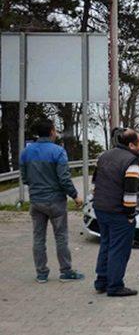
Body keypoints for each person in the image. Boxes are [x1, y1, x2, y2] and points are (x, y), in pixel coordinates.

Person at [19, 119, 84, 283]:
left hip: (36, 201)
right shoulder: (58, 151)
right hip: (56, 201)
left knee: (38, 238)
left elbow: (25, 178)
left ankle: (41, 273)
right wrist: (75, 195)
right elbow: (64, 179)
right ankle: (66, 271)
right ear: (51, 132)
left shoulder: (26, 152)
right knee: (61, 237)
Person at [92, 129, 139, 297]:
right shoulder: (131, 161)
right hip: (118, 212)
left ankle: (102, 281)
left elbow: (95, 182)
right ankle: (115, 286)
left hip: (101, 208)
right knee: (119, 250)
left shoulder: (104, 156)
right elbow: (130, 193)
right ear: (131, 144)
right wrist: (130, 215)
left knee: (106, 244)